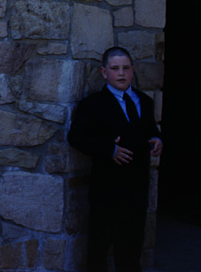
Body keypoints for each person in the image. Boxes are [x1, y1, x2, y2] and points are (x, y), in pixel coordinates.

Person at [68, 47, 164, 272]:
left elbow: (150, 128)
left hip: (137, 190)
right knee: (99, 250)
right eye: (114, 69)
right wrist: (109, 148)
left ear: (132, 70)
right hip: (107, 191)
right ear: (104, 73)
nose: (121, 73)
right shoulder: (92, 105)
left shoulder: (145, 101)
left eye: (125, 68)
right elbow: (76, 137)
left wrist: (157, 138)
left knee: (131, 249)